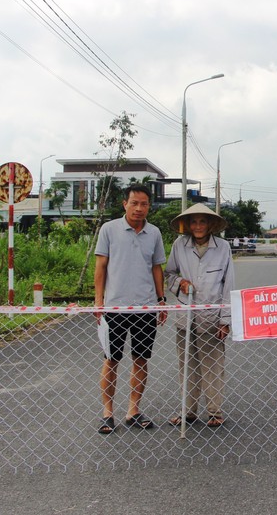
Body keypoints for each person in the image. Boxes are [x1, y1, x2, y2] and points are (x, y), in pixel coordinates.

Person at [94, 184, 168, 434]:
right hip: (115, 308)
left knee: (141, 360)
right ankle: (107, 413)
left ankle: (133, 410)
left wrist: (161, 300)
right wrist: (98, 302)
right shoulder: (109, 230)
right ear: (124, 204)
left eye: (144, 204)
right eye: (134, 203)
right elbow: (100, 267)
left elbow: (157, 267)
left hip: (145, 308)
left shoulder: (154, 233)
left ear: (149, 206)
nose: (139, 208)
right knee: (111, 360)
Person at [165, 203, 234, 428]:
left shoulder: (222, 247)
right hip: (186, 316)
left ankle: (214, 411)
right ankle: (188, 412)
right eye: (193, 222)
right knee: (187, 366)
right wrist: (180, 283)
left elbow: (228, 285)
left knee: (213, 366)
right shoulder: (179, 245)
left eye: (202, 221)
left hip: (211, 316)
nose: (197, 226)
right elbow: (169, 274)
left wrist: (225, 320)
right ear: (188, 225)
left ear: (211, 224)